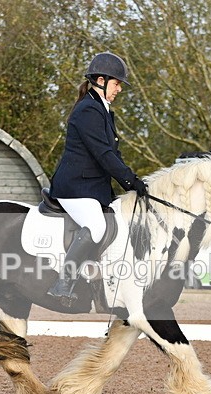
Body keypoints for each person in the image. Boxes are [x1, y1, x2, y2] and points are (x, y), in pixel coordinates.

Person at [47, 51, 148, 305]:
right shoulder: (88, 110)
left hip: (91, 187)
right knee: (96, 225)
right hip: (74, 187)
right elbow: (103, 155)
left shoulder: (102, 110)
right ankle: (64, 283)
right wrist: (129, 181)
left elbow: (114, 153)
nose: (119, 90)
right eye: (116, 84)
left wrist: (133, 179)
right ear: (101, 80)